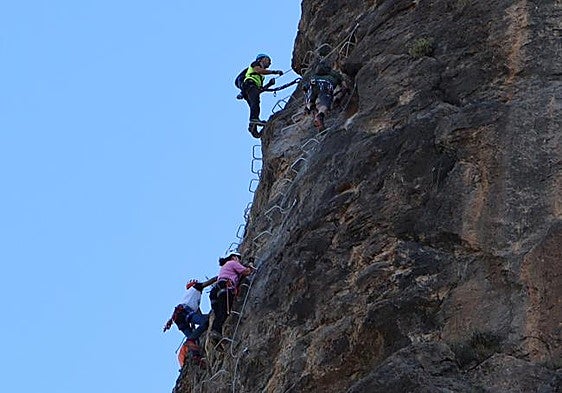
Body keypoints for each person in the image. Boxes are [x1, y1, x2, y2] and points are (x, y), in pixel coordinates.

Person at [163, 276, 217, 366]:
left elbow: (198, 315)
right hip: (184, 312)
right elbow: (208, 282)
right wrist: (219, 277)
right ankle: (191, 341)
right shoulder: (195, 287)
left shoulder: (191, 298)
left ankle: (197, 357)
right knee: (205, 323)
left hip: (178, 318)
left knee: (194, 338)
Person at [209, 252, 254, 340]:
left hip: (215, 291)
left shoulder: (225, 268)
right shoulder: (232, 263)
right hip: (225, 286)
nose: (239, 261)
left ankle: (215, 332)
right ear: (234, 257)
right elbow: (247, 271)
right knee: (224, 312)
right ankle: (215, 333)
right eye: (238, 259)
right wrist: (251, 263)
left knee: (219, 314)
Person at [241, 54, 284, 138]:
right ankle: (253, 121)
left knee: (255, 105)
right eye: (268, 60)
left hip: (250, 87)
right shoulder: (255, 64)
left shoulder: (261, 77)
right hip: (249, 84)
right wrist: (274, 72)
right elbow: (258, 71)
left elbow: (260, 89)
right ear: (262, 59)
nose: (270, 63)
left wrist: (269, 84)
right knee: (255, 104)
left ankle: (253, 128)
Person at [303, 61, 345, 131]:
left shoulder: (314, 75)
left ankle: (314, 111)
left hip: (313, 83)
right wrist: (345, 90)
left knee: (311, 101)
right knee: (325, 103)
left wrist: (307, 105)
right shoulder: (333, 73)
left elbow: (304, 88)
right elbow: (343, 84)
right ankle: (319, 116)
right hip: (326, 84)